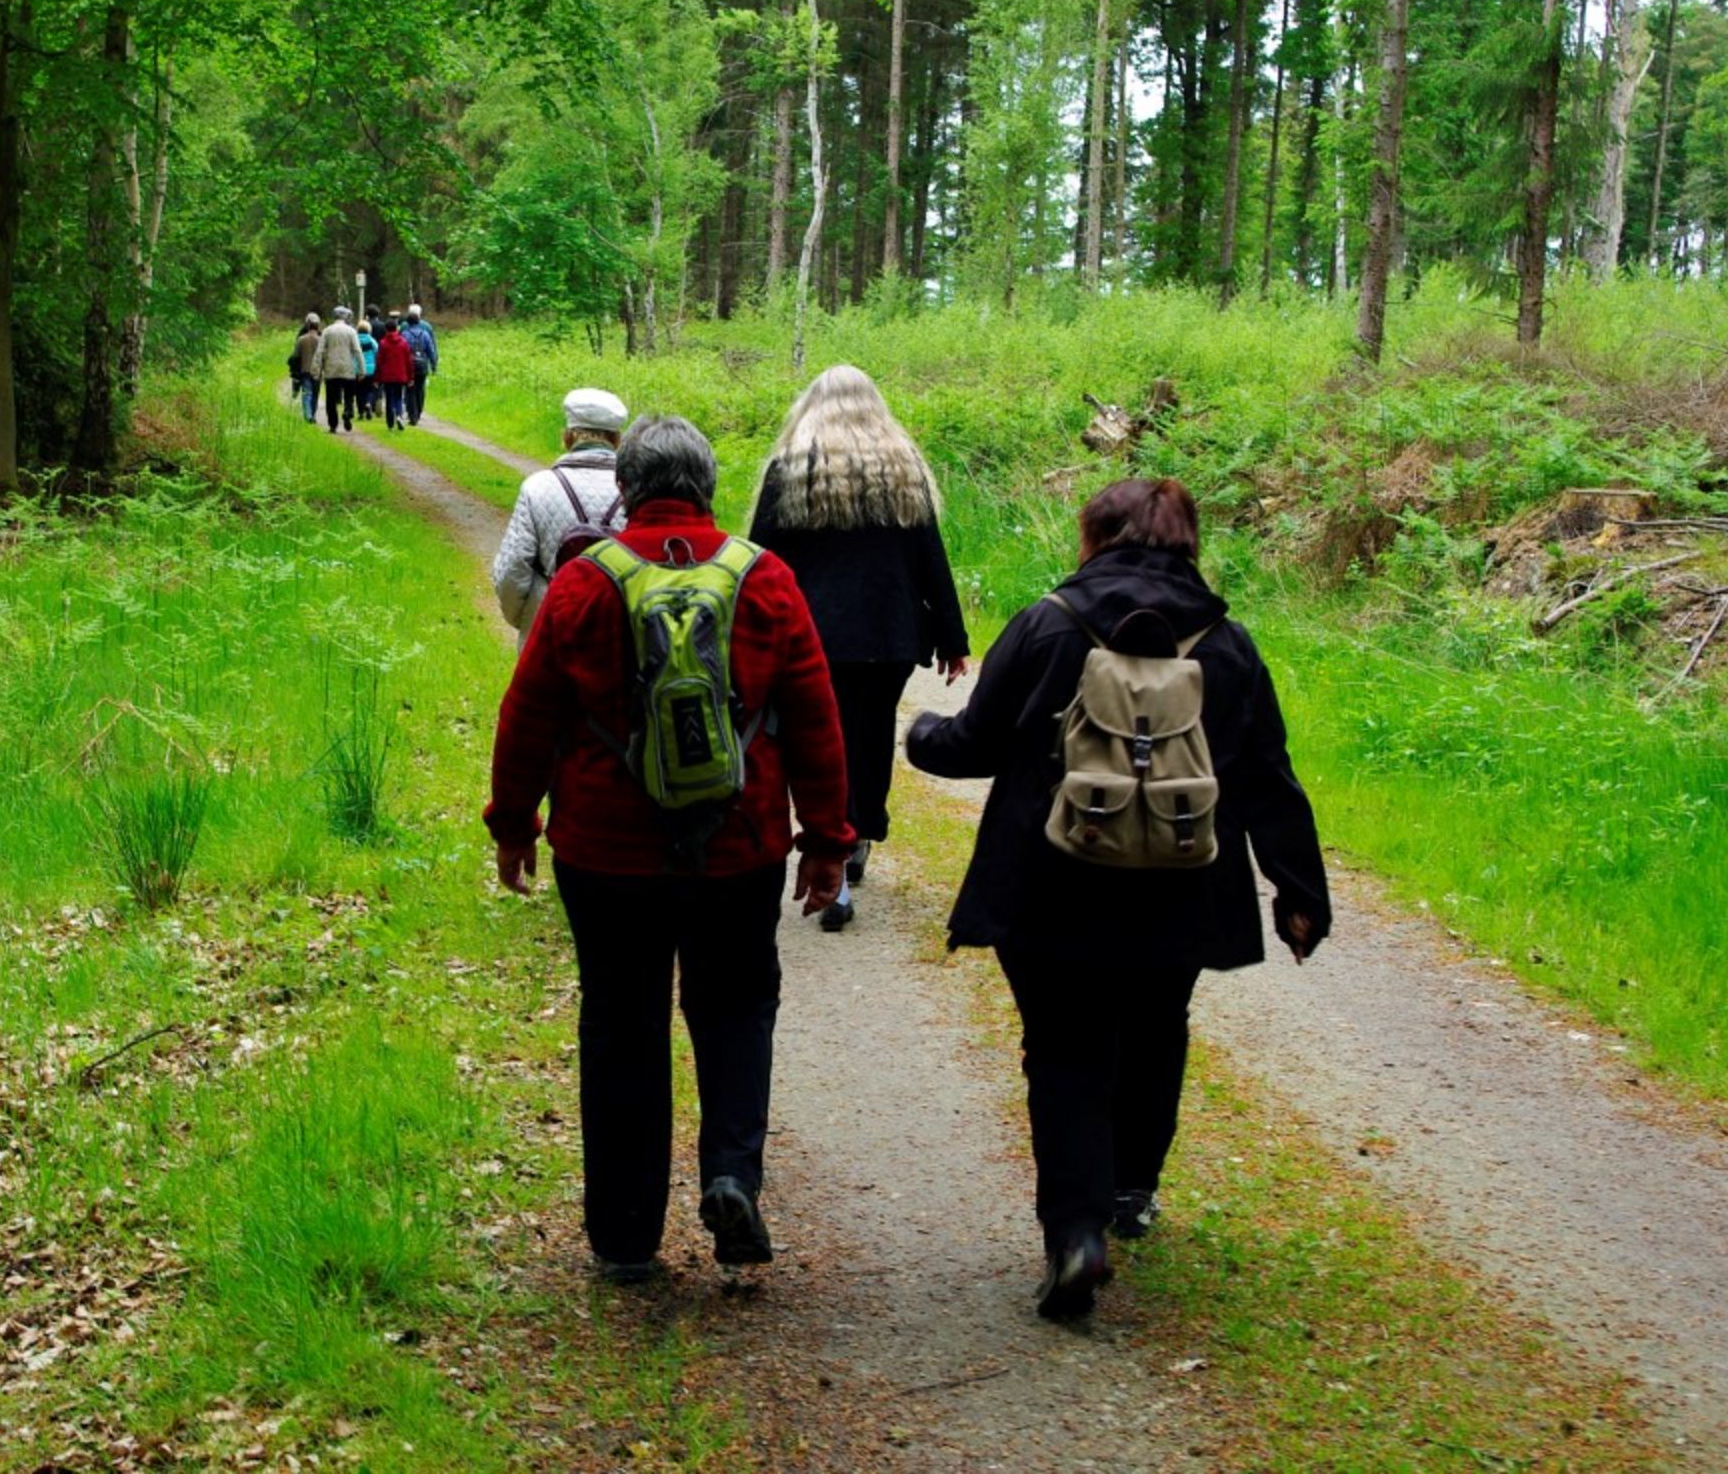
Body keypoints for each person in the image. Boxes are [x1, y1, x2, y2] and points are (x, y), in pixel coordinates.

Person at [905, 477, 1331, 1322]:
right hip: (1185, 885)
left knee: (1064, 1047)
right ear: (1188, 545)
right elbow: (1265, 775)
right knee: (1156, 1027)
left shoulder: (1047, 624)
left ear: (1094, 537)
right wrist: (1298, 889)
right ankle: (1132, 1186)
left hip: (1051, 880)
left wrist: (921, 737)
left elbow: (974, 744)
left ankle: (1077, 1233)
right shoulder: (1227, 645)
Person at [486, 415, 853, 1283]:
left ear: (626, 490)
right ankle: (731, 1176)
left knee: (622, 1024)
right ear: (709, 488)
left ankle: (625, 1239)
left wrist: (514, 825)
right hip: (740, 847)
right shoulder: (765, 579)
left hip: (605, 853)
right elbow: (814, 717)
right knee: (736, 1008)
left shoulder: (584, 583)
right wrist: (826, 841)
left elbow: (528, 714)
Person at [749, 365, 969, 933]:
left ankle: (839, 847)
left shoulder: (790, 470)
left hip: (811, 635)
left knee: (818, 743)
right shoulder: (903, 469)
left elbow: (760, 557)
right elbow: (930, 558)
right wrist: (953, 639)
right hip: (888, 636)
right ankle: (859, 833)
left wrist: (746, 629)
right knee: (869, 737)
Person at [492, 389, 628, 646]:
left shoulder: (537, 487)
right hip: (618, 632)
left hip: (550, 628)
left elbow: (512, 569)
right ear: (617, 439)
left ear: (568, 436)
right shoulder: (636, 491)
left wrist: (527, 619)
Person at [316, 307, 363, 433]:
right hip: (348, 369)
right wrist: (361, 370)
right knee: (349, 395)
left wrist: (316, 370)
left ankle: (333, 425)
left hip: (331, 370)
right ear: (346, 317)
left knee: (330, 399)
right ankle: (348, 411)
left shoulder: (327, 331)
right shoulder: (351, 331)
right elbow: (357, 351)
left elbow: (319, 351)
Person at [374, 313, 415, 430]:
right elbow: (409, 361)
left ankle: (390, 423)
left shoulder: (383, 343)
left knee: (389, 398)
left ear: (386, 330)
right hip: (401, 375)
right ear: (396, 329)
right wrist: (411, 377)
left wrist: (376, 378)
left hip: (387, 376)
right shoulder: (404, 343)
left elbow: (379, 362)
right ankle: (399, 415)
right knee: (398, 397)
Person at [400, 305, 439, 424]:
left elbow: (401, 350)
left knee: (410, 390)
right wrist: (434, 365)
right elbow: (431, 350)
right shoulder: (425, 333)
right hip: (422, 365)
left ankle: (412, 415)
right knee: (420, 389)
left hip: (409, 366)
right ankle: (419, 410)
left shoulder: (405, 333)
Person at [289, 313, 323, 423]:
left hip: (305, 371)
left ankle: (308, 415)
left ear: (308, 325)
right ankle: (312, 415)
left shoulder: (301, 339)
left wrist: (294, 368)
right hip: (317, 372)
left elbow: (295, 356)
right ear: (318, 326)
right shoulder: (321, 340)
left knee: (307, 394)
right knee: (315, 395)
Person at [355, 320, 380, 426]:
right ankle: (369, 403)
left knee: (359, 391)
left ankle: (361, 412)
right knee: (370, 389)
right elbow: (377, 353)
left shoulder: (355, 340)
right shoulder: (372, 341)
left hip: (357, 369)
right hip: (370, 369)